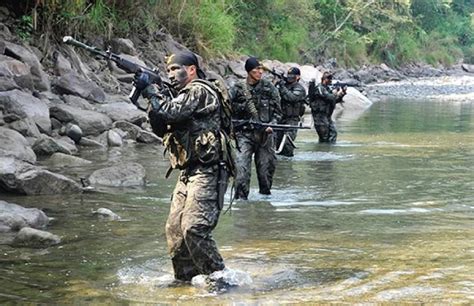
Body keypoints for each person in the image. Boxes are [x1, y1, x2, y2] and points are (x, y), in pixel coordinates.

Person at [134, 51, 234, 283]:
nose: (171, 75)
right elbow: (162, 126)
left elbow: (172, 111)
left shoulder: (199, 89)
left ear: (191, 69)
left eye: (175, 69)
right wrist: (152, 99)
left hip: (209, 170)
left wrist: (151, 92)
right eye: (168, 70)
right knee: (174, 230)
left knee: (194, 228)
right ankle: (185, 281)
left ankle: (220, 280)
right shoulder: (179, 95)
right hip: (188, 172)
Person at [229, 57, 282, 200]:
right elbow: (227, 109)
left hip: (265, 135)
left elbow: (278, 111)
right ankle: (241, 203)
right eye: (256, 69)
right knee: (241, 171)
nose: (260, 72)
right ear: (248, 71)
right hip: (244, 134)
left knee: (266, 172)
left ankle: (264, 204)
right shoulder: (237, 89)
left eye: (261, 69)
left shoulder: (269, 87)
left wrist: (272, 124)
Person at [274, 67, 307, 157]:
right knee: (276, 144)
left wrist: (282, 86)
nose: (290, 77)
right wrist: (276, 84)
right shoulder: (283, 86)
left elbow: (292, 97)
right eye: (288, 75)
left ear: (298, 77)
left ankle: (288, 168)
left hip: (292, 120)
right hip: (280, 119)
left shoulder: (299, 89)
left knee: (287, 145)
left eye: (292, 76)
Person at [308, 72, 346, 143]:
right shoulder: (320, 88)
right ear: (324, 79)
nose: (330, 81)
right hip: (319, 116)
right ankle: (322, 151)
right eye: (329, 79)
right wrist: (335, 93)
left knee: (333, 133)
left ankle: (329, 150)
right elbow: (329, 97)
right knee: (324, 137)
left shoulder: (327, 88)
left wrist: (342, 94)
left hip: (327, 116)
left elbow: (334, 100)